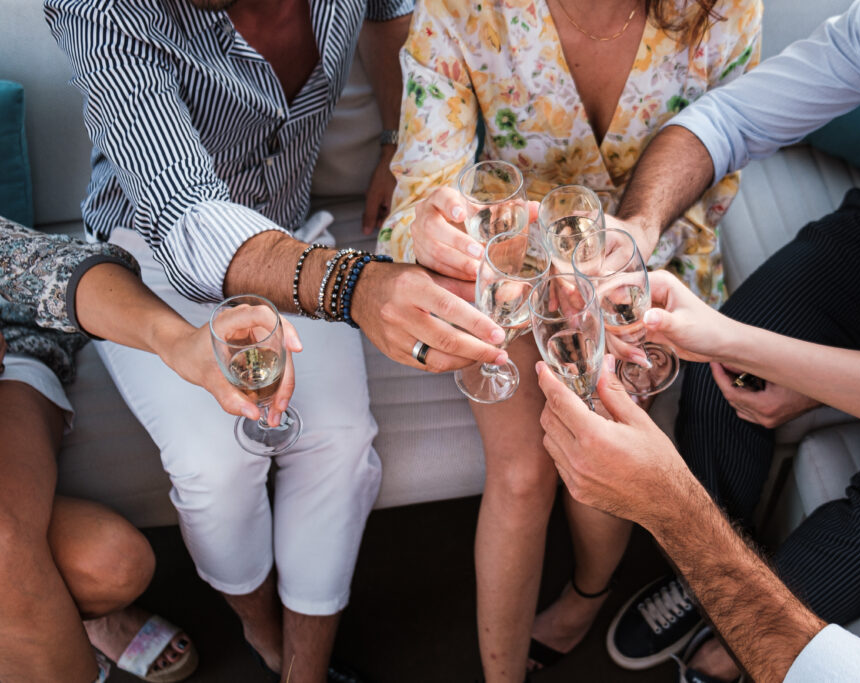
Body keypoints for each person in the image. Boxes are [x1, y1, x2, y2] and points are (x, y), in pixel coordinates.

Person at [44, 1, 514, 681]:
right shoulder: (99, 10)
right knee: (214, 464)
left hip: (289, 229)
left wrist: (396, 140)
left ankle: (306, 667)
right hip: (145, 261)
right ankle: (262, 630)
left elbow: (393, 13)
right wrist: (355, 287)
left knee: (344, 442)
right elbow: (184, 211)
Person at [595, 0, 860, 679]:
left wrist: (786, 364)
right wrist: (634, 231)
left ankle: (723, 656)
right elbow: (732, 116)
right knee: (711, 389)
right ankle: (706, 562)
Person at [374, 1, 761, 678]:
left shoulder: (726, 10)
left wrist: (614, 274)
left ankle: (589, 593)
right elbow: (418, 200)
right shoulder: (461, 8)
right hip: (513, 257)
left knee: (595, 464)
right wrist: (433, 227)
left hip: (648, 262)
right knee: (522, 474)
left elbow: (716, 181)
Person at [536, 270, 860, 682]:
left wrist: (672, 508)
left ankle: (728, 647)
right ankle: (700, 579)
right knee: (717, 379)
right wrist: (747, 351)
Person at [0, 215, 299, 683]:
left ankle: (54, 617)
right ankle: (58, 619)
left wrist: (176, 340)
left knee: (113, 565)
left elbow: (36, 264)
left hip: (10, 365)